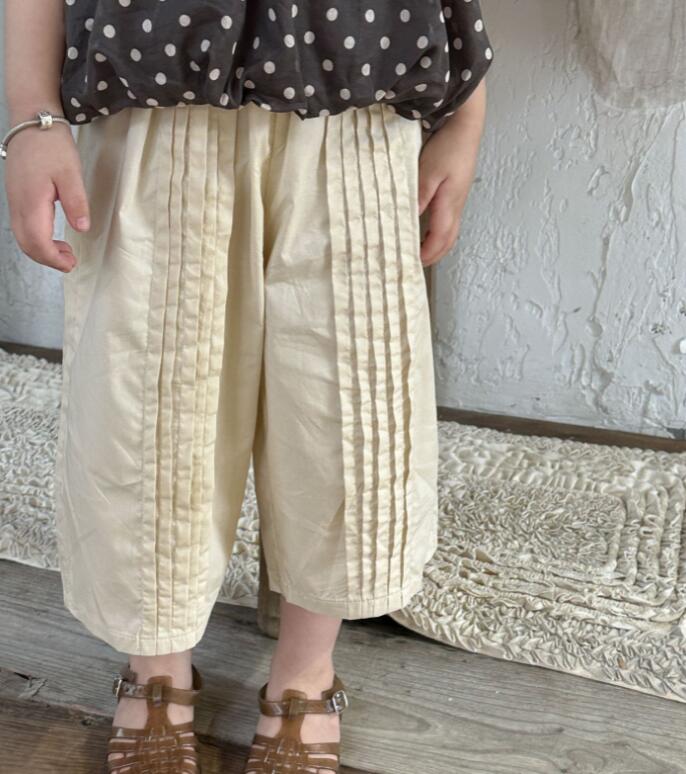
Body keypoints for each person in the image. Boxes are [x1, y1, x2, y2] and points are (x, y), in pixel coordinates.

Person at [2, 2, 493, 772]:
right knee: (147, 415)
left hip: (357, 115)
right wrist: (33, 118)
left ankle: (305, 674)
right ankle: (156, 668)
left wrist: (465, 116)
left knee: (346, 415)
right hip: (155, 112)